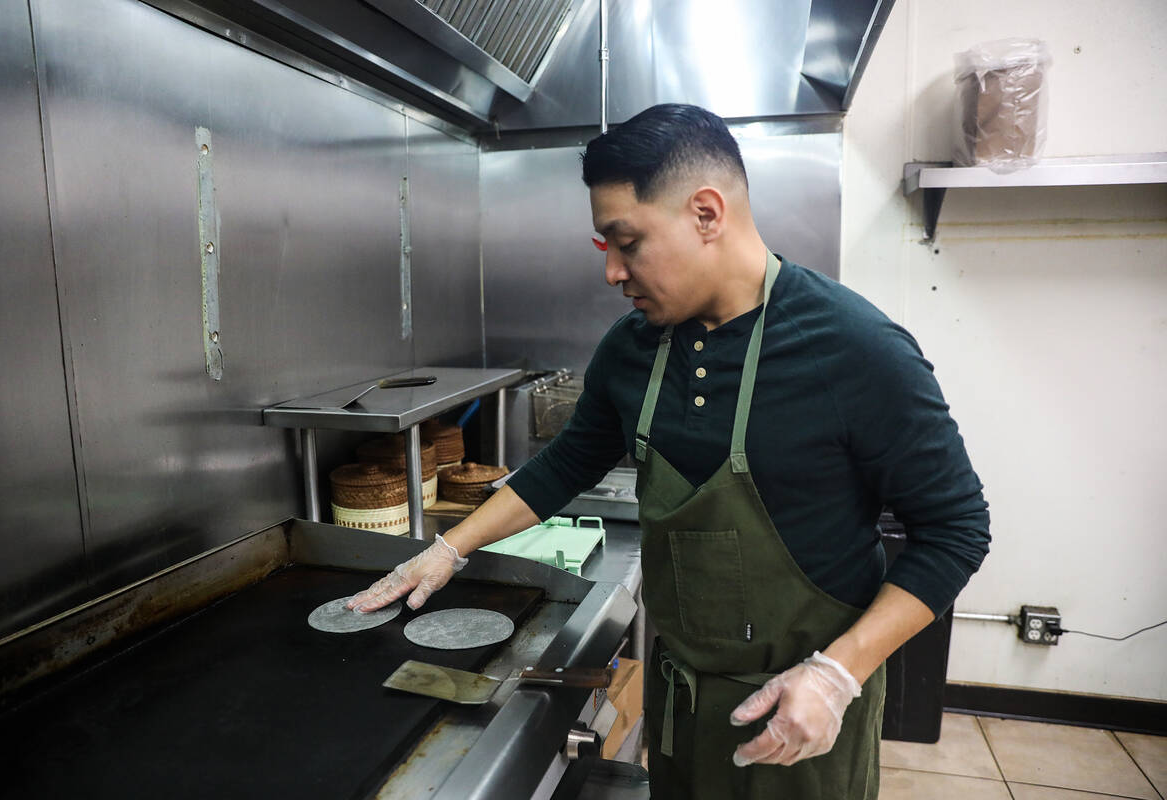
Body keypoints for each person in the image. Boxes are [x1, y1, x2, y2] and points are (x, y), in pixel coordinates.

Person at [347, 103, 990, 799]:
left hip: (800, 716)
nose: (613, 274)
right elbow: (566, 465)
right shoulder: (632, 350)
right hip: (681, 706)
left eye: (627, 242)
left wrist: (837, 674)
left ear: (706, 213)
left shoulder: (856, 350)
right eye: (606, 248)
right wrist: (448, 550)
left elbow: (957, 530)